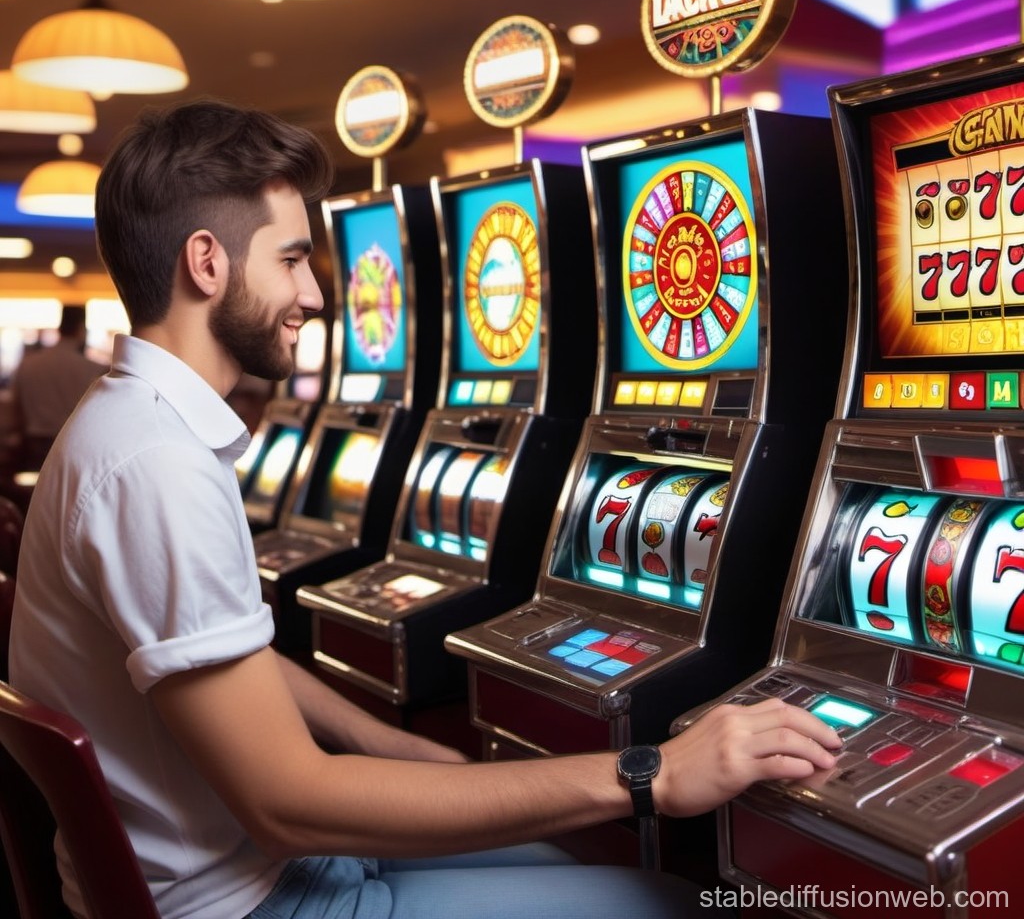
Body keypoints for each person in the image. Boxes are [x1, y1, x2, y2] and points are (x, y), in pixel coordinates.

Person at [9, 98, 841, 919]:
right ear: (207, 262)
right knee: (672, 905)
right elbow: (287, 803)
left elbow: (247, 673)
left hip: (241, 870)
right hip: (249, 898)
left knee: (560, 851)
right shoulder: (155, 467)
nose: (316, 297)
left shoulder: (130, 428)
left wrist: (391, 743)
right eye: (293, 260)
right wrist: (652, 772)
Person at [9, 303, 107, 470]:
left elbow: (15, 409)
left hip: (33, 447)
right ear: (81, 329)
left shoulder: (29, 364)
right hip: (74, 447)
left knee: (31, 495)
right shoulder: (94, 369)